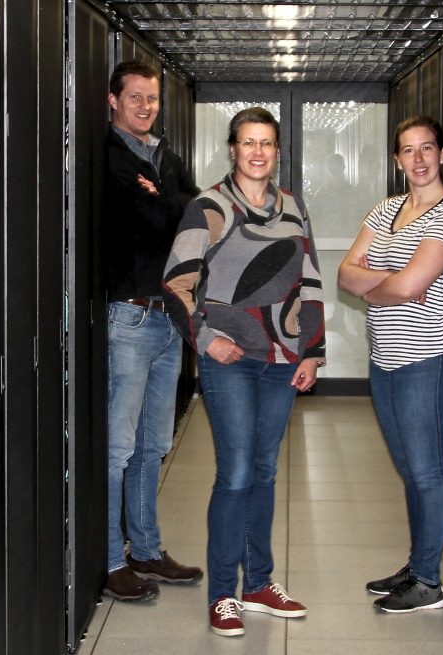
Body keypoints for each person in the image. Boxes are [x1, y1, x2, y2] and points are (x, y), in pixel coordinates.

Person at [162, 107, 326, 637]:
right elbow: (176, 284)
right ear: (232, 149)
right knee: (234, 474)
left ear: (277, 152)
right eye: (248, 142)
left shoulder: (293, 207)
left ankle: (258, 583)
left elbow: (312, 281)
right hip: (230, 362)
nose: (258, 152)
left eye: (267, 144)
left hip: (282, 361)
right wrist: (207, 341)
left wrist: (312, 352)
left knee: (264, 471)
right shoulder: (208, 206)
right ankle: (222, 595)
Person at [337, 115, 443, 614]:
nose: (419, 159)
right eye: (409, 151)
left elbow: (413, 286)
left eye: (427, 149)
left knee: (428, 471)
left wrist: (379, 280)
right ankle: (417, 565)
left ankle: (429, 583)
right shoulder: (386, 209)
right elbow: (345, 274)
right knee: (410, 470)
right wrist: (384, 279)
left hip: (429, 359)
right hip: (385, 359)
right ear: (397, 159)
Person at [103, 59, 203, 603]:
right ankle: (110, 558)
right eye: (136, 97)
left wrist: (162, 196)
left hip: (169, 318)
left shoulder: (164, 157)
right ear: (112, 101)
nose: (146, 105)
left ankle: (146, 549)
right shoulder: (110, 157)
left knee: (152, 446)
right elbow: (155, 221)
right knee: (119, 447)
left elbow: (197, 216)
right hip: (129, 317)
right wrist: (169, 204)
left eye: (153, 98)